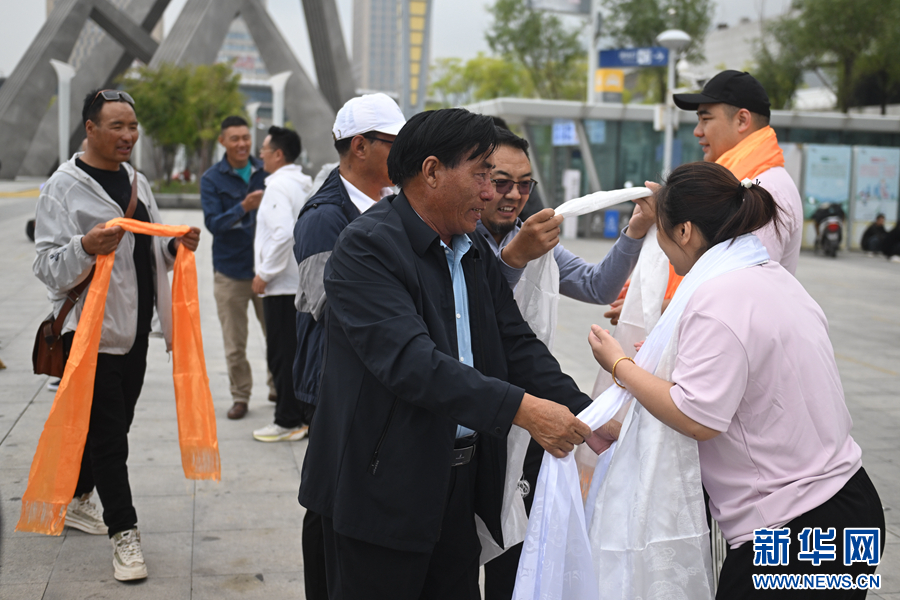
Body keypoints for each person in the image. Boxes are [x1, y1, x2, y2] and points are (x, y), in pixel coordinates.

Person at [297, 108, 594, 600]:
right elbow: (413, 363)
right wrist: (523, 409)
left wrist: (587, 413)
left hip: (457, 480)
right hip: (380, 483)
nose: (491, 193)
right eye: (483, 175)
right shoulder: (367, 247)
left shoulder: (469, 246)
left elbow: (514, 342)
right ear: (432, 171)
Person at [588, 161, 884, 597]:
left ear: (684, 231)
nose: (662, 248)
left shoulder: (716, 297)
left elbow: (697, 416)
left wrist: (619, 366)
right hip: (848, 504)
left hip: (795, 530)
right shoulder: (770, 276)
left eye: (660, 233)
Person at [476, 128, 652, 600]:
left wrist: (635, 229)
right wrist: (513, 259)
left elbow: (596, 286)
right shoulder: (460, 240)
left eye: (525, 184)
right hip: (473, 413)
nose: (514, 195)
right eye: (501, 181)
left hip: (530, 413)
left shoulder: (533, 235)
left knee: (516, 544)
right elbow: (479, 319)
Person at [33, 88, 200, 581]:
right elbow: (47, 266)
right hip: (91, 333)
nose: (128, 135)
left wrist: (176, 246)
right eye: (117, 126)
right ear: (90, 128)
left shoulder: (136, 181)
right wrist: (86, 245)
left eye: (133, 127)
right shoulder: (62, 187)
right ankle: (123, 533)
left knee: (114, 426)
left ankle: (77, 495)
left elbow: (147, 253)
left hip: (136, 331)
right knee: (110, 438)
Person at [291, 92, 406, 600]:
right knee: (329, 502)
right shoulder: (324, 216)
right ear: (360, 146)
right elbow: (324, 302)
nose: (405, 156)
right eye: (395, 144)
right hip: (331, 381)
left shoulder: (391, 205)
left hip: (372, 374)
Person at [674, 70, 803, 275]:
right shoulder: (741, 181)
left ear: (742, 120)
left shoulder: (765, 189)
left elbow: (746, 282)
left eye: (705, 119)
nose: (697, 131)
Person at [201, 116, 275, 420]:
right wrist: (243, 207)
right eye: (235, 138)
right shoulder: (211, 179)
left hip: (267, 271)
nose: (242, 144)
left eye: (246, 137)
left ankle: (279, 387)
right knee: (234, 344)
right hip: (230, 272)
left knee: (278, 336)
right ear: (223, 142)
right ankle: (240, 396)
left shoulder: (267, 170)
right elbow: (213, 224)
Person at [250, 126, 312, 442]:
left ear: (278, 154)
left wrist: (265, 273)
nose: (260, 154)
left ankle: (287, 420)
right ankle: (301, 415)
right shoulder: (302, 184)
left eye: (264, 149)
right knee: (296, 353)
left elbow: (283, 233)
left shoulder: (277, 186)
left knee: (281, 355)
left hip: (282, 285)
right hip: (299, 283)